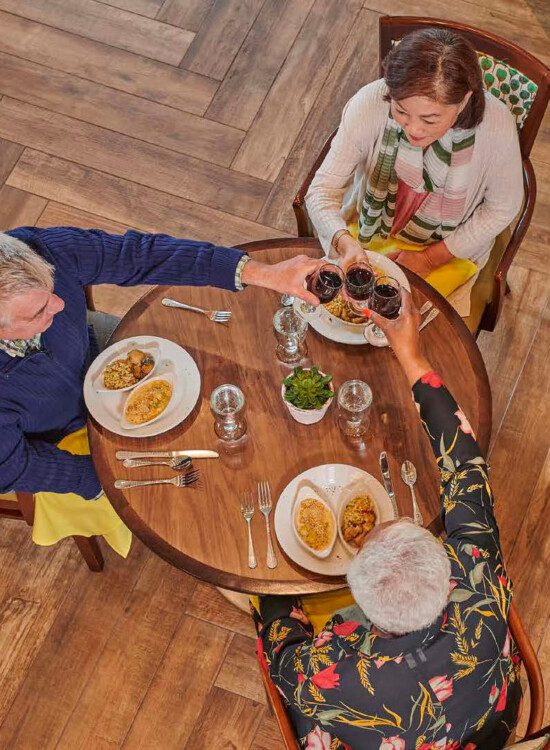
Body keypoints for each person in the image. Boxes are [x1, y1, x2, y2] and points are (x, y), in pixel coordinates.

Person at [253, 292, 521, 749]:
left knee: (268, 599)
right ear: (446, 563)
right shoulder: (479, 579)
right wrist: (410, 355)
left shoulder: (332, 674)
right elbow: (467, 464)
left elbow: (282, 657)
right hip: (491, 722)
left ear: (358, 610)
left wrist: (276, 594)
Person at [0, 226, 323, 556]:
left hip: (90, 355)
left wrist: (262, 272)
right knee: (181, 498)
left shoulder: (40, 250)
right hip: (57, 430)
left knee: (206, 377)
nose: (60, 304)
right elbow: (13, 465)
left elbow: (139, 254)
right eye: (39, 310)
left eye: (52, 287)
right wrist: (100, 480)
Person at [305, 27, 523, 316]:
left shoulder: (496, 127)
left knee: (409, 327)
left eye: (431, 119)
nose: (414, 130)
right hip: (366, 233)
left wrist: (430, 260)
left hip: (450, 248)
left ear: (464, 101)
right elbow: (321, 191)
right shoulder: (369, 102)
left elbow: (502, 208)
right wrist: (345, 244)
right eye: (401, 111)